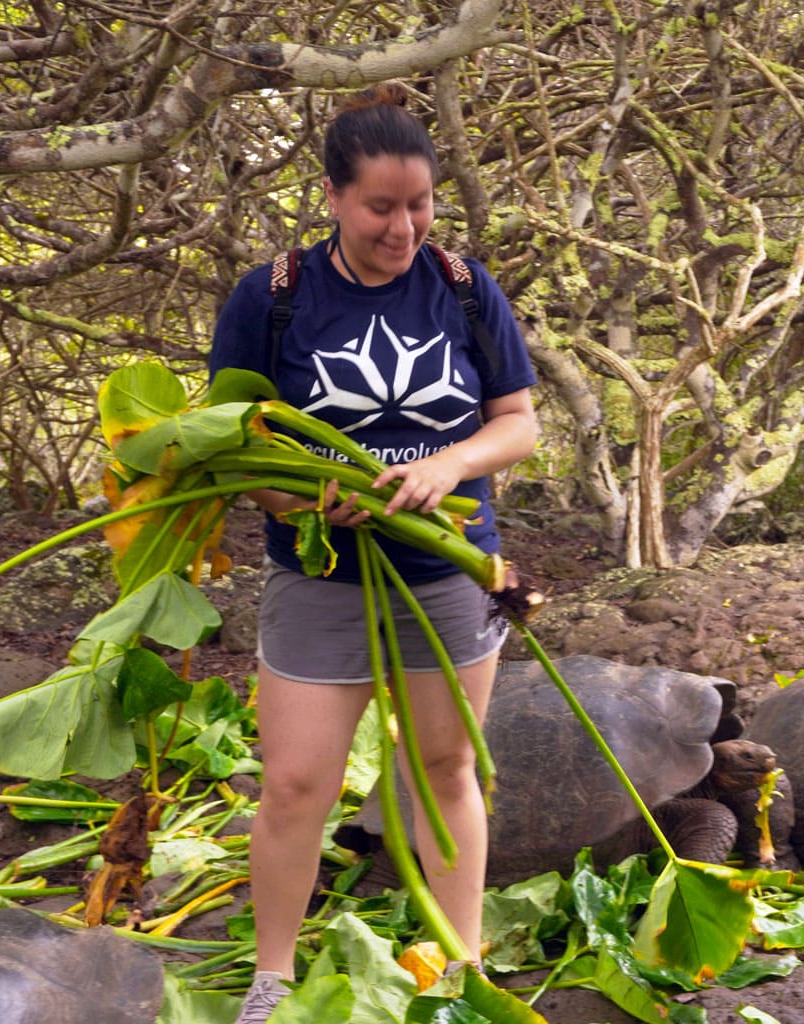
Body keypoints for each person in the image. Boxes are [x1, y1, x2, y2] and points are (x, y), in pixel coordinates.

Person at [208, 83, 538, 1024]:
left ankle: (460, 966)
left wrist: (449, 463)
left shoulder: (467, 289)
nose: (404, 228)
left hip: (448, 571)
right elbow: (231, 446)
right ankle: (271, 980)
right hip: (318, 576)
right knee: (296, 782)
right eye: (381, 207)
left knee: (444, 773)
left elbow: (516, 424)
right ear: (333, 197)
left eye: (420, 205)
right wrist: (306, 498)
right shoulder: (272, 298)